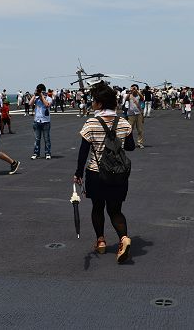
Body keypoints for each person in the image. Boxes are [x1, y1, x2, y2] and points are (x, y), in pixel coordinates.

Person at [73, 81, 135, 263]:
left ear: (99, 103)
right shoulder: (123, 123)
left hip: (96, 173)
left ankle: (100, 241)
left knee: (97, 208)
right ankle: (124, 238)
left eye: (94, 100)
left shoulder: (91, 123)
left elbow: (83, 152)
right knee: (116, 211)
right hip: (119, 174)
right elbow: (130, 147)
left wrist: (78, 173)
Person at [28, 83, 53, 160]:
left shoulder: (49, 98)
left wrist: (41, 96)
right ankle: (36, 153)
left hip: (45, 121)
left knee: (47, 139)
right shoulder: (36, 98)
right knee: (37, 139)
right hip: (37, 121)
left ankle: (47, 153)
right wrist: (34, 95)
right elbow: (30, 104)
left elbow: (47, 105)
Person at [125, 84, 145, 148]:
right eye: (132, 89)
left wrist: (137, 91)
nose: (133, 90)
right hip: (131, 114)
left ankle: (140, 142)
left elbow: (142, 98)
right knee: (130, 129)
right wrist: (130, 92)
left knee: (140, 130)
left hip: (138, 114)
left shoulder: (139, 95)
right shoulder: (130, 95)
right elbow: (126, 99)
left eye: (134, 89)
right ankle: (129, 143)